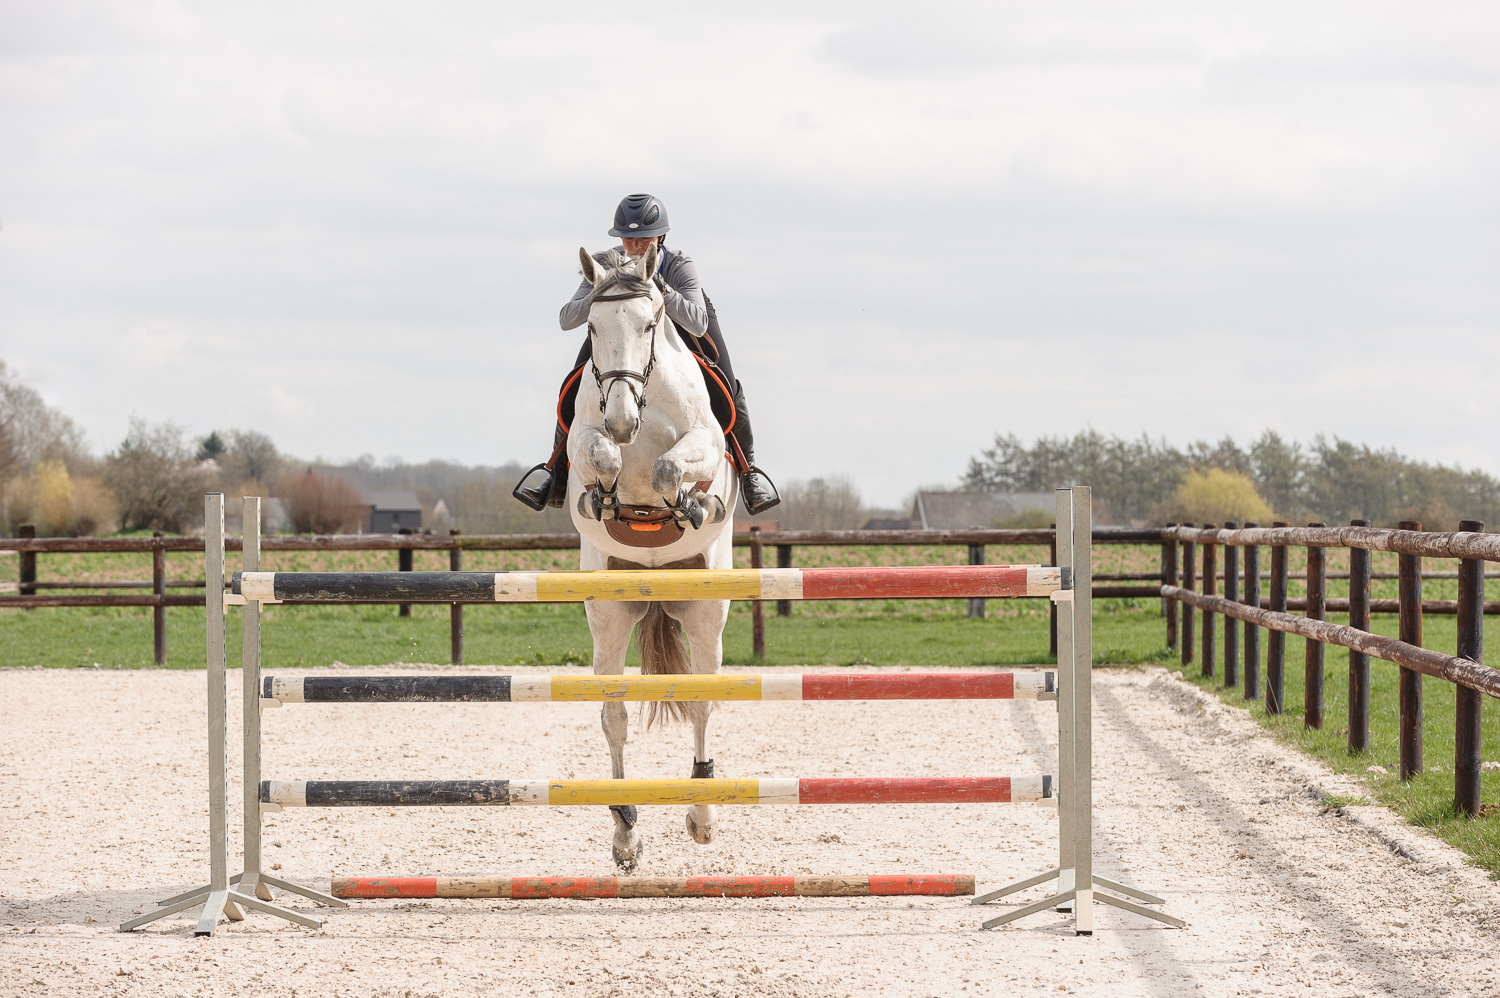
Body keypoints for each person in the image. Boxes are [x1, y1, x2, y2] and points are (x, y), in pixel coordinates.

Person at [513, 193, 780, 515]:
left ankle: (749, 471)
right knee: (574, 380)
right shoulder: (604, 261)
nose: (636, 247)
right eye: (629, 239)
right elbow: (567, 319)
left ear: (661, 237)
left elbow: (697, 323)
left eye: (644, 239)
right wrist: (601, 292)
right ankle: (556, 473)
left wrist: (660, 287)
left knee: (724, 379)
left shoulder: (680, 263)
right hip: (620, 326)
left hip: (681, 320)